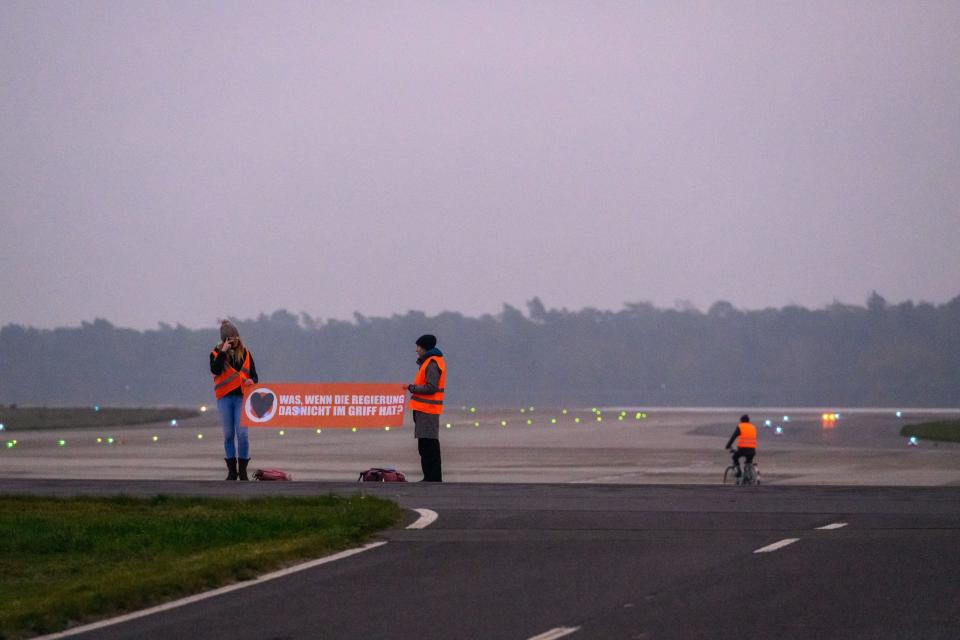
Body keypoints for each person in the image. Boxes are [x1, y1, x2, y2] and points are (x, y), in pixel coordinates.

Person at [210, 320, 258, 481]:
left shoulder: (245, 353)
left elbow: (254, 375)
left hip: (241, 398)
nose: (235, 340)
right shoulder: (216, 354)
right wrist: (223, 351)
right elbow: (215, 369)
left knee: (242, 434)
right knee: (228, 435)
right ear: (225, 339)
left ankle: (243, 470)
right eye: (231, 338)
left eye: (236, 337)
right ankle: (232, 471)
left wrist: (252, 381)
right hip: (224, 398)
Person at [405, 334, 445, 482]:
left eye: (418, 347)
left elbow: (431, 387)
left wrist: (413, 388)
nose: (416, 350)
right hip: (424, 411)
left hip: (428, 411)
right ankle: (430, 477)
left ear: (424, 347)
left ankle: (432, 478)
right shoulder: (428, 362)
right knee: (425, 446)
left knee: (429, 447)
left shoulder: (432, 363)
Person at [725, 414, 757, 478]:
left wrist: (728, 446)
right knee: (748, 462)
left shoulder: (740, 427)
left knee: (734, 457)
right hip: (752, 450)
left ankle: (739, 472)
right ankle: (749, 477)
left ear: (741, 420)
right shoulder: (753, 427)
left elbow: (733, 437)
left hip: (742, 450)